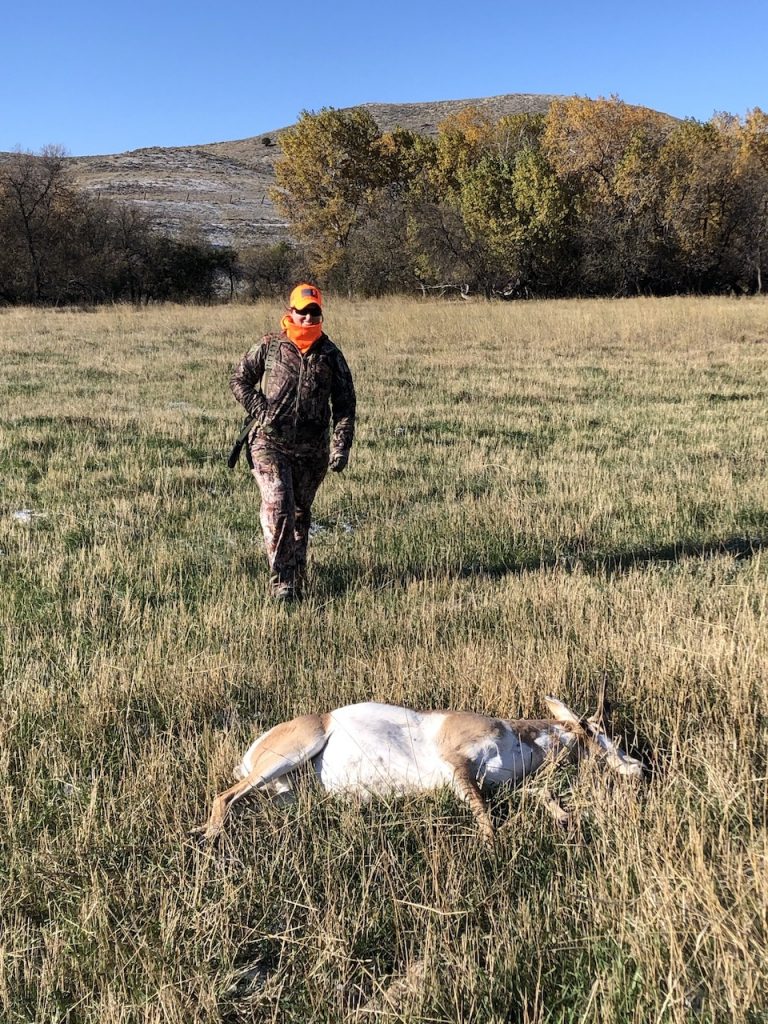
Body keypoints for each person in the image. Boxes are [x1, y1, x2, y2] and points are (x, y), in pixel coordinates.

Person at [229, 284, 356, 601]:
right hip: (269, 443)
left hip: (312, 452)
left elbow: (345, 407)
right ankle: (282, 582)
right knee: (279, 505)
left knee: (300, 513)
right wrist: (260, 409)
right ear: (290, 312)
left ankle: (297, 577)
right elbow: (239, 379)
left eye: (315, 312)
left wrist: (341, 447)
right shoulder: (270, 347)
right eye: (303, 311)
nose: (309, 318)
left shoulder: (331, 356)